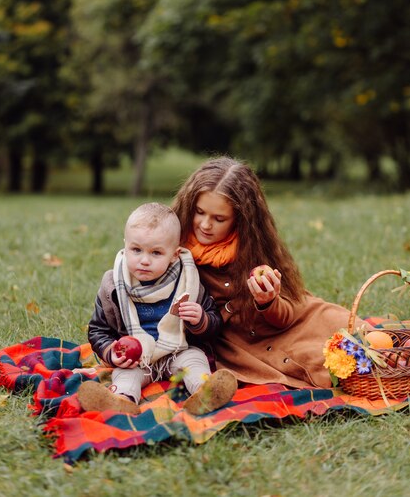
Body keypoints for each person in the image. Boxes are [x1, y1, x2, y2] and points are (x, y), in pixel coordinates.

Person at [171, 156, 369, 389]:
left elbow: (287, 312)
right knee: (331, 366)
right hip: (250, 345)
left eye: (219, 218)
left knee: (366, 340)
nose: (205, 225)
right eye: (200, 212)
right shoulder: (170, 244)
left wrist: (268, 302)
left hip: (295, 320)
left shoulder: (253, 245)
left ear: (240, 220)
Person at [78, 202, 237, 415]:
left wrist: (201, 319)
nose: (144, 260)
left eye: (156, 253)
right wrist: (111, 352)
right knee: (126, 374)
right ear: (125, 245)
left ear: (174, 254)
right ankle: (119, 400)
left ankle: (206, 393)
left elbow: (214, 324)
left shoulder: (187, 280)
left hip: (178, 350)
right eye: (136, 250)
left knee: (195, 362)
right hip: (137, 358)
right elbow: (98, 330)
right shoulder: (113, 285)